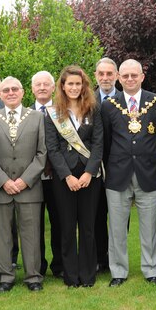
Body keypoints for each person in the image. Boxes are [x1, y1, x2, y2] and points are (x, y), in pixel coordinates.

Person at [101, 59, 156, 286]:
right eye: (126, 76)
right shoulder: (109, 105)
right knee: (117, 227)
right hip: (118, 173)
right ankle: (118, 272)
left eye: (134, 75)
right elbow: (107, 142)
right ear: (119, 78)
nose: (130, 79)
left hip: (147, 172)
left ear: (142, 76)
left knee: (150, 226)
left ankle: (152, 270)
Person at [0, 77, 48, 292]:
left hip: (29, 187)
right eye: (6, 90)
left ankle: (33, 277)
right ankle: (5, 277)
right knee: (1, 235)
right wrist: (3, 181)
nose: (10, 92)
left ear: (22, 92)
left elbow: (42, 153)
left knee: (31, 234)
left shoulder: (37, 117)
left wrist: (23, 181)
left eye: (15, 89)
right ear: (0, 94)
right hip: (0, 189)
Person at [44, 66, 103, 287]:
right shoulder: (53, 113)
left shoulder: (93, 109)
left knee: (88, 227)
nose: (74, 88)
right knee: (67, 227)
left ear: (84, 85)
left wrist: (89, 172)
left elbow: (98, 144)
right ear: (62, 86)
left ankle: (88, 275)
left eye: (78, 84)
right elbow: (52, 148)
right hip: (65, 177)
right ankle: (70, 276)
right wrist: (67, 176)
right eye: (70, 84)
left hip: (89, 175)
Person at [31, 70, 63, 278]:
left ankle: (59, 265)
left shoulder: (63, 113)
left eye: (46, 84)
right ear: (32, 89)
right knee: (34, 225)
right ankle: (37, 266)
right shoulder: (26, 114)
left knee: (60, 222)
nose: (42, 88)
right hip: (33, 179)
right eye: (38, 84)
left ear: (53, 88)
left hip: (58, 177)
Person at [93, 58, 120, 272]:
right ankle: (100, 259)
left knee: (120, 218)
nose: (105, 78)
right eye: (101, 73)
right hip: (92, 169)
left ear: (117, 76)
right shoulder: (88, 100)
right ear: (95, 76)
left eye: (109, 74)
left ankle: (117, 257)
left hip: (119, 169)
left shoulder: (126, 99)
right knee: (97, 214)